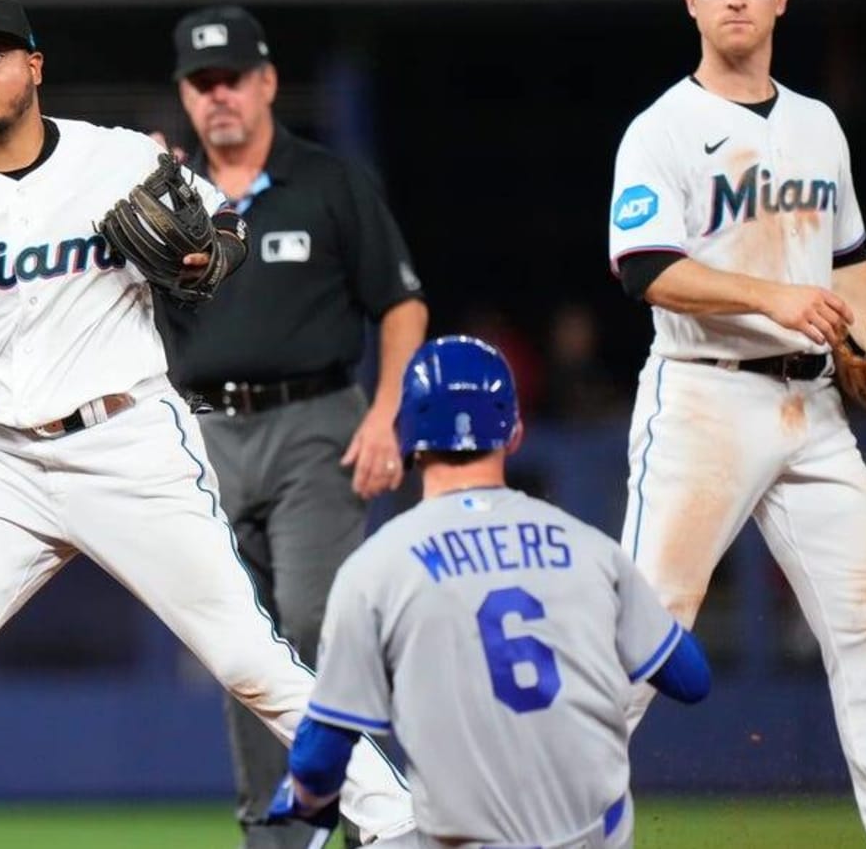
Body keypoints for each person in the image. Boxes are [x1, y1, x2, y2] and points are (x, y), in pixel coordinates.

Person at [0, 0, 415, 849]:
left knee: (249, 661)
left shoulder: (118, 158)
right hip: (9, 468)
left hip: (129, 442)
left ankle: (399, 824)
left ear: (33, 66)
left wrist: (210, 253)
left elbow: (224, 232)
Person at [608, 0, 866, 843]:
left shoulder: (818, 125)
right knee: (644, 631)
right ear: (692, 2)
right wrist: (775, 297)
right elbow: (644, 270)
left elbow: (848, 260)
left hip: (812, 414)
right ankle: (537, 821)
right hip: (705, 400)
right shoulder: (662, 126)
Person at [158, 4, 428, 849]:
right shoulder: (166, 206)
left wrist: (387, 414)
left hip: (317, 423)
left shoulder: (328, 182)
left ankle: (368, 815)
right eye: (202, 84)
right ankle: (269, 832)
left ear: (267, 82)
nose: (219, 97)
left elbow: (402, 302)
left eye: (233, 78)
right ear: (185, 95)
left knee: (315, 621)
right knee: (240, 645)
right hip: (205, 434)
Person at [267, 335, 711, 849]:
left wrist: (303, 797)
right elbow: (691, 677)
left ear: (405, 434)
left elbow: (321, 757)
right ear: (515, 433)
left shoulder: (376, 568)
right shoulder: (590, 549)